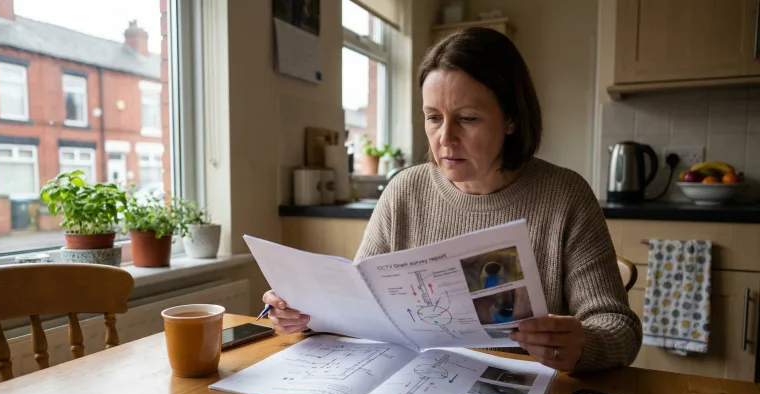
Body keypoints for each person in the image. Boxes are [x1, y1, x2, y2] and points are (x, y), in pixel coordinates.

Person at [262, 27, 642, 372]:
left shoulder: (565, 196)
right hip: (417, 388)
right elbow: (362, 308)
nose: (445, 137)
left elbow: (619, 328)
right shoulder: (404, 191)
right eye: (433, 117)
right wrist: (306, 315)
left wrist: (583, 344)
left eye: (467, 119)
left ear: (511, 118)